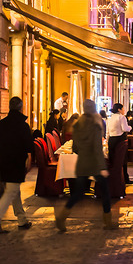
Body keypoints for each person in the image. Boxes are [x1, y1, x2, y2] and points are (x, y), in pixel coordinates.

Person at [55, 99, 116, 231]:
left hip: (82, 163)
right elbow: (97, 148)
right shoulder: (95, 124)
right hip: (94, 164)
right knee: (105, 191)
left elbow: (75, 148)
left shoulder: (78, 125)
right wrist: (102, 167)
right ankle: (108, 221)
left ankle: (61, 217)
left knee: (78, 193)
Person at [0, 97, 33, 233]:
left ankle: (22, 219)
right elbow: (29, 146)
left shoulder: (1, 124)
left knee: (14, 190)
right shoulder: (23, 125)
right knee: (11, 191)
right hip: (17, 161)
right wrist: (28, 158)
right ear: (20, 108)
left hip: (4, 160)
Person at [107, 103, 133, 185]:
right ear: (119, 109)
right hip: (120, 140)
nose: (124, 110)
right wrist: (130, 127)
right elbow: (125, 128)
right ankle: (125, 179)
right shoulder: (121, 117)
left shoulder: (110, 118)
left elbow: (107, 132)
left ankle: (113, 179)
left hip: (111, 140)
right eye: (123, 109)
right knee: (122, 160)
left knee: (112, 161)